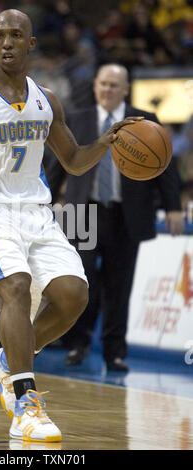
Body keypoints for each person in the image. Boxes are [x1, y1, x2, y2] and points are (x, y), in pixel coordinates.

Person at [0, 10, 141, 442]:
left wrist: (107, 142)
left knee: (73, 295)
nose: (6, 42)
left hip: (35, 214)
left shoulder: (47, 99)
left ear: (31, 44)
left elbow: (74, 160)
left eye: (15, 35)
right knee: (16, 286)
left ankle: (8, 360)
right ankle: (25, 401)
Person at [63, 63, 184, 370]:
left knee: (119, 287)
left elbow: (167, 168)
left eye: (114, 85)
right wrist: (42, 202)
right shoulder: (77, 120)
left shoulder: (147, 122)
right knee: (81, 283)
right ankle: (77, 344)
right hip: (81, 211)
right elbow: (57, 164)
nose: (107, 90)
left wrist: (172, 206)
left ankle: (115, 353)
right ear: (94, 85)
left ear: (126, 89)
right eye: (103, 84)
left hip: (126, 212)